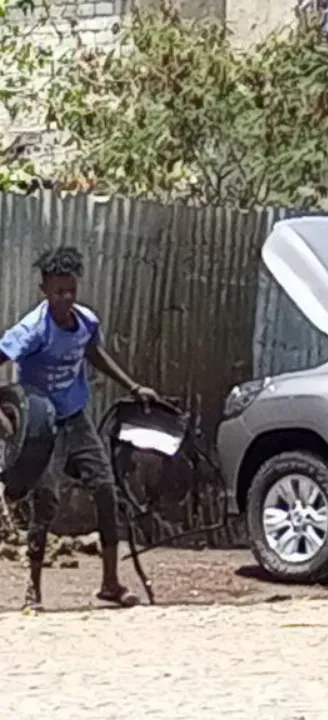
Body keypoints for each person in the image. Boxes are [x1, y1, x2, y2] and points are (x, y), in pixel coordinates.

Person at [0, 246, 161, 611]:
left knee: (106, 491)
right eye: (59, 292)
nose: (66, 298)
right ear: (44, 289)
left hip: (76, 416)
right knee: (47, 501)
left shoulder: (86, 321)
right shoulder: (32, 331)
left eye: (71, 290)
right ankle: (33, 592)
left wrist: (133, 386)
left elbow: (93, 353)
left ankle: (110, 583)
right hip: (41, 426)